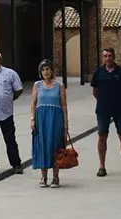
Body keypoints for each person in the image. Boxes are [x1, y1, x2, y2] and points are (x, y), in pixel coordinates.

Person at [91, 47, 121, 178]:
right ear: (102, 57)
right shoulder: (98, 72)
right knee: (102, 136)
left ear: (114, 56)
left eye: (110, 55)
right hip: (103, 110)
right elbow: (95, 91)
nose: (107, 58)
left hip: (119, 109)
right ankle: (102, 166)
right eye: (105, 56)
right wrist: (104, 100)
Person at [31, 59, 68, 188]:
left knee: (55, 146)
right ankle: (43, 176)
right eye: (43, 69)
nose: (45, 72)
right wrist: (32, 119)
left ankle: (55, 177)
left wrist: (65, 124)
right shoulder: (37, 85)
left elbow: (64, 106)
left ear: (52, 70)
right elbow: (33, 103)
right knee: (42, 145)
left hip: (55, 118)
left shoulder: (60, 85)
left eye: (47, 69)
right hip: (41, 118)